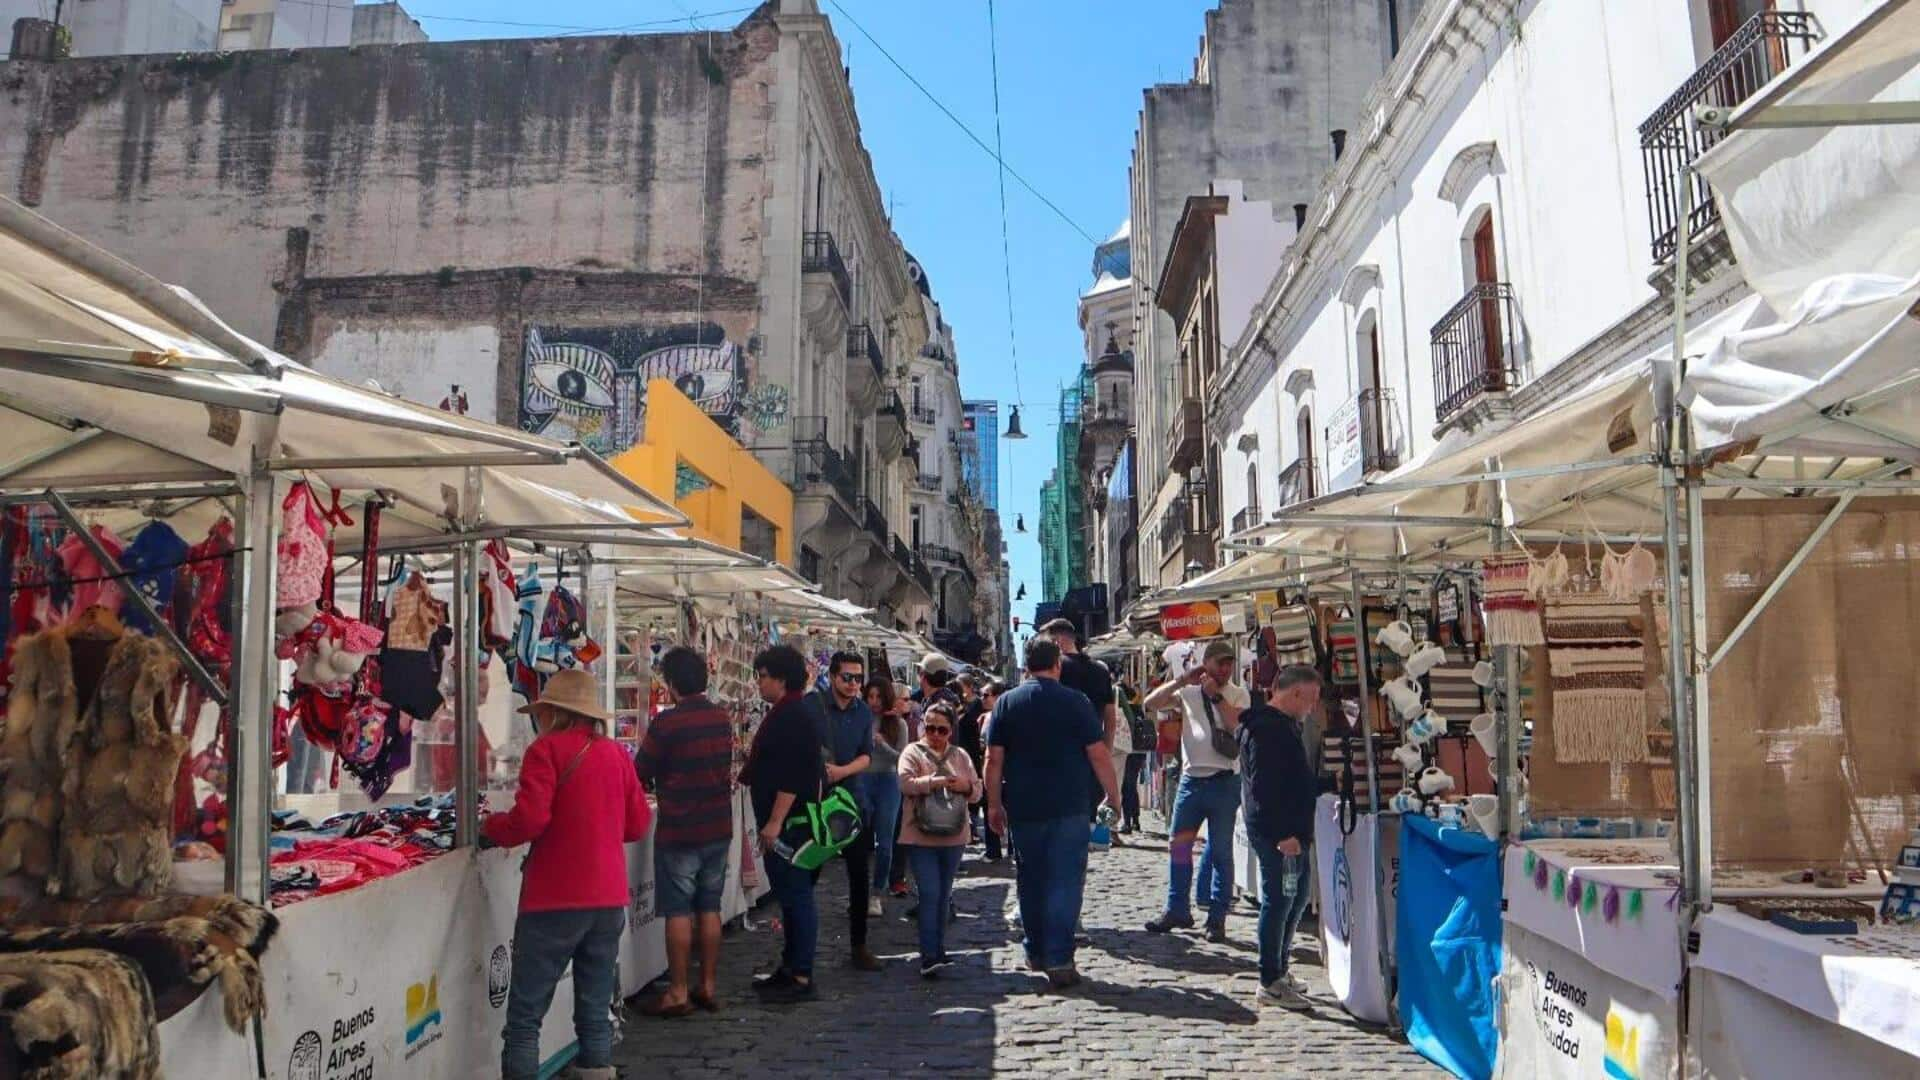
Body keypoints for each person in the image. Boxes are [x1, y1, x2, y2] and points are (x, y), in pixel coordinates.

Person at [481, 669, 650, 1080]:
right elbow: (637, 825)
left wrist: (489, 828)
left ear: (554, 713)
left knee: (525, 1019)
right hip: (608, 899)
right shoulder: (615, 754)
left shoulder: (546, 751)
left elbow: (530, 821)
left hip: (554, 898)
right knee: (594, 1012)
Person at [985, 637, 1122, 990]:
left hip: (1024, 806)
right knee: (1064, 881)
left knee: (1030, 879)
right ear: (1057, 664)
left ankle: (1035, 951)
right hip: (1069, 805)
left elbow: (993, 759)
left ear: (1026, 666)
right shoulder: (1075, 702)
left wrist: (994, 803)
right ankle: (1059, 957)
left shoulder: (1006, 704)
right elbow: (1098, 754)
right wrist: (1113, 795)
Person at [633, 646, 735, 1018]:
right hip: (717, 825)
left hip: (680, 828)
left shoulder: (667, 724)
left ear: (672, 684)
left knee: (678, 910)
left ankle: (678, 991)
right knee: (710, 907)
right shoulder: (721, 718)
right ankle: (707, 985)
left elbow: (639, 771)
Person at [1142, 639, 1249, 943]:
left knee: (1220, 852)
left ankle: (1216, 919)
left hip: (1224, 781)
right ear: (1207, 664)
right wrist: (1181, 681)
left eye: (1229, 663)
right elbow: (1150, 704)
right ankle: (1177, 908)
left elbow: (1237, 727)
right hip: (1191, 782)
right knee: (1179, 846)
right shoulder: (1188, 694)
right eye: (1220, 663)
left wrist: (1216, 699)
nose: (1225, 669)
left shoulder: (1238, 693)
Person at [742, 644, 826, 1004]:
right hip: (786, 820)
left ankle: (801, 973)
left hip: (791, 823)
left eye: (762, 676)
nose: (758, 683)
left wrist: (775, 822)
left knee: (797, 897)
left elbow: (791, 775)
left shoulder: (793, 714)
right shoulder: (789, 711)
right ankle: (790, 966)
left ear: (780, 678)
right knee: (790, 898)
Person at [1239, 665, 1323, 1010]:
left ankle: (1280, 968)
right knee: (1280, 900)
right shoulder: (1268, 730)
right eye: (1312, 699)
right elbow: (1264, 787)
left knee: (1296, 897)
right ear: (1296, 693)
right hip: (1279, 832)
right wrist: (1282, 834)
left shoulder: (1279, 725)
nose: (1313, 707)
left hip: (1290, 830)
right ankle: (1269, 978)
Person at [806, 651, 882, 972]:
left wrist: (841, 771)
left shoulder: (863, 712)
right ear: (833, 677)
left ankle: (859, 945)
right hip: (815, 804)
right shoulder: (813, 706)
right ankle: (800, 950)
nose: (853, 684)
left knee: (858, 877)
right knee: (808, 877)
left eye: (858, 678)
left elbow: (867, 755)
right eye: (847, 677)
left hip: (852, 802)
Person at [897, 701, 983, 977]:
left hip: (954, 835)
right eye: (930, 727)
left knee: (943, 895)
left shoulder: (960, 755)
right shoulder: (912, 752)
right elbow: (905, 783)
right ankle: (929, 954)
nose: (934, 734)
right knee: (930, 893)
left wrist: (965, 785)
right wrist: (932, 782)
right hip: (921, 835)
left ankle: (938, 949)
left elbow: (977, 790)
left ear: (950, 731)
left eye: (941, 730)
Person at [1040, 619, 1118, 822]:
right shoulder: (1100, 669)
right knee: (1086, 818)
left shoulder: (1054, 670)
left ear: (1056, 641)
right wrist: (1106, 750)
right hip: (1094, 751)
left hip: (1059, 754)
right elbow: (1110, 715)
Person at [862, 677, 909, 919]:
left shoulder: (898, 724)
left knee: (885, 842)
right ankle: (859, 892)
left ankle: (876, 893)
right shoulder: (860, 718)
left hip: (888, 782)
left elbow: (902, 758)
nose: (874, 702)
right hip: (863, 779)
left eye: (879, 697)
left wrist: (882, 744)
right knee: (858, 838)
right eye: (870, 696)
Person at [968, 681, 1008, 861]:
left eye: (986, 695)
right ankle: (994, 849)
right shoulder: (984, 717)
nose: (982, 698)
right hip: (987, 766)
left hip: (1001, 768)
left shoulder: (1004, 717)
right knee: (990, 805)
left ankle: (1006, 850)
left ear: (998, 696)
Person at [1116, 678, 1149, 834]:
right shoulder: (1137, 707)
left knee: (1126, 787)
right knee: (1131, 786)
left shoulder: (1123, 709)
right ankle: (1135, 820)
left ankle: (1127, 822)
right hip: (1140, 751)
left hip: (1127, 749)